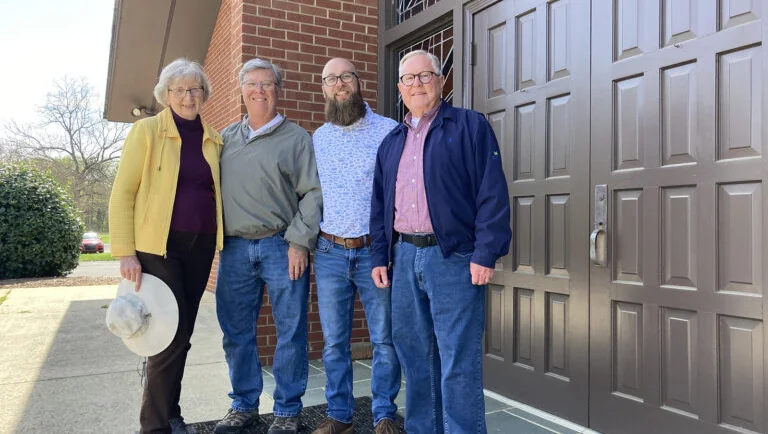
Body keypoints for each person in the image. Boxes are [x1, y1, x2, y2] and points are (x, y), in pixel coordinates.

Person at [370, 50, 512, 434]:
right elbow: (380, 205)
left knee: (457, 361)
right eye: (409, 78)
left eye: (425, 75)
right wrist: (379, 256)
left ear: (441, 80)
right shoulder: (391, 142)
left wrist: (486, 252)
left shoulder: (469, 127)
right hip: (403, 257)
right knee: (416, 359)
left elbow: (492, 193)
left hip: (454, 259)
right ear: (399, 88)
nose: (417, 84)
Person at [109, 58, 225, 434]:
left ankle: (171, 414)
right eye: (179, 90)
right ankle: (155, 426)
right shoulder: (147, 131)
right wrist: (126, 251)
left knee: (183, 335)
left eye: (195, 89)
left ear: (204, 93)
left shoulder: (213, 136)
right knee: (166, 336)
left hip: (201, 243)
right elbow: (123, 192)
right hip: (158, 247)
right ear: (166, 95)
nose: (188, 96)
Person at [214, 58, 323, 434]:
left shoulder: (297, 139)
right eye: (251, 84)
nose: (259, 90)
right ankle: (243, 404)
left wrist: (299, 242)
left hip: (282, 246)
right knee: (236, 332)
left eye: (267, 84)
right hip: (234, 250)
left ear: (278, 91)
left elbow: (312, 193)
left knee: (290, 331)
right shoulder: (224, 139)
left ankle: (288, 410)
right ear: (241, 90)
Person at [310, 58, 400, 434]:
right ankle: (340, 416)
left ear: (358, 82)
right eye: (331, 79)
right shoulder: (318, 137)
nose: (339, 84)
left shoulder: (389, 130)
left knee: (384, 339)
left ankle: (383, 415)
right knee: (333, 344)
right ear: (324, 89)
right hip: (329, 252)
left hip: (373, 253)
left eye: (346, 76)